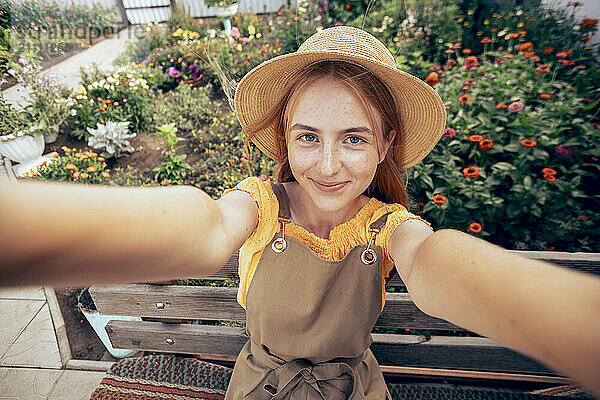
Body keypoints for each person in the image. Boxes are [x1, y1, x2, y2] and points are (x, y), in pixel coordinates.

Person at [0, 26, 599, 399]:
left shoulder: (389, 228)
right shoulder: (258, 207)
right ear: (284, 138)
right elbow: (205, 231)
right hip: (260, 388)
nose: (329, 165)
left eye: (355, 138)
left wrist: (570, 320)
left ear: (387, 144)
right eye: (308, 136)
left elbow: (436, 263)